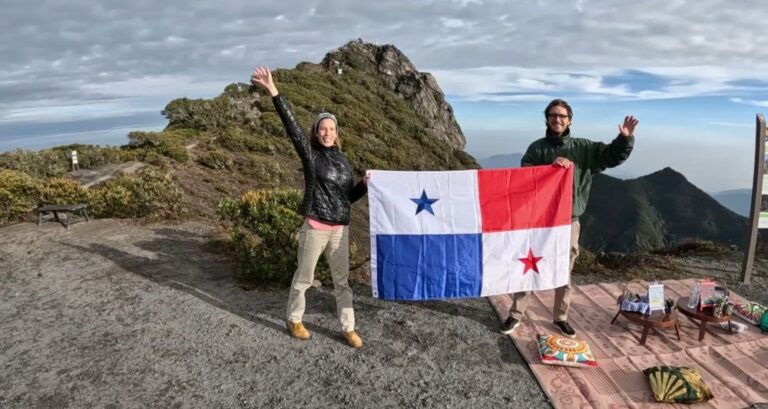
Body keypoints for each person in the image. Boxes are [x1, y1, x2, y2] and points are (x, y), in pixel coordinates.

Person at [250, 66, 368, 348]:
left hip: (340, 229)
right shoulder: (311, 155)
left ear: (337, 132)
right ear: (316, 133)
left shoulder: (342, 160)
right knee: (304, 278)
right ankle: (294, 319)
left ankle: (348, 327)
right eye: (322, 129)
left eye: (332, 129)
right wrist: (274, 91)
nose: (327, 133)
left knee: (342, 283)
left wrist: (364, 184)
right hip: (315, 226)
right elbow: (292, 128)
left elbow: (346, 198)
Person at [501, 99, 638, 338]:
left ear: (570, 120)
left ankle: (560, 317)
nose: (557, 119)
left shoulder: (584, 148)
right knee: (529, 265)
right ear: (547, 119)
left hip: (568, 221)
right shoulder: (536, 149)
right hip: (539, 220)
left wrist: (624, 139)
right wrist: (549, 168)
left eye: (562, 116)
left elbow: (611, 157)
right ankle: (516, 314)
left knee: (564, 270)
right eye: (553, 115)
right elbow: (523, 176)